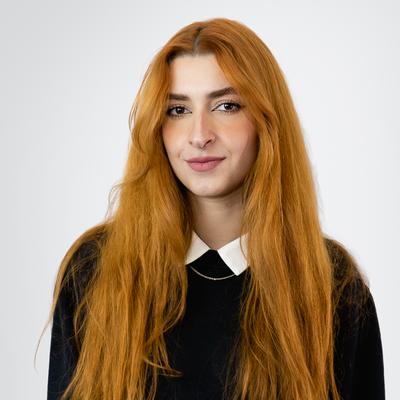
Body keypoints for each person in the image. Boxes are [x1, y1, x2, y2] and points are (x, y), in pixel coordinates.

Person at [46, 17, 385, 400]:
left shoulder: (332, 284)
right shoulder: (94, 269)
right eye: (178, 110)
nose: (199, 135)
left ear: (266, 122)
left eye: (226, 106)